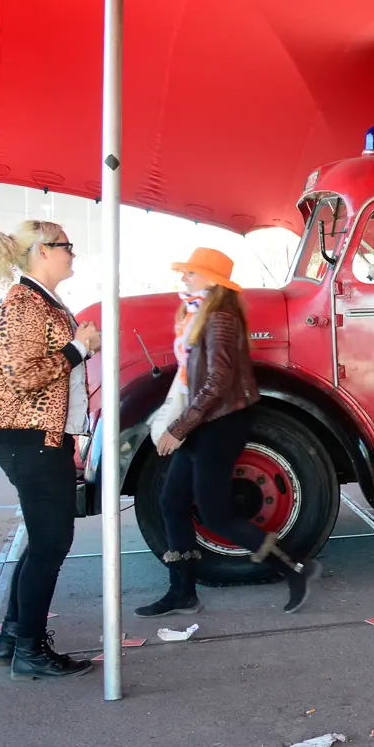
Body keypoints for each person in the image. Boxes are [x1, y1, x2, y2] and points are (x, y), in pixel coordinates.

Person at [136, 248, 321, 617]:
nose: (185, 277)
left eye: (192, 272)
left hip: (219, 424)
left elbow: (217, 382)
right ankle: (182, 592)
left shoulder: (219, 319)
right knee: (172, 502)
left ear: (212, 280)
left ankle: (295, 567)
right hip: (205, 420)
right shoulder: (197, 315)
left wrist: (178, 428)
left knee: (216, 514)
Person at [0, 221, 98, 679]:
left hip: (35, 437)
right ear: (43, 251)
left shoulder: (38, 301)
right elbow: (23, 376)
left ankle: (15, 638)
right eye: (67, 246)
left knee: (43, 540)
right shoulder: (24, 304)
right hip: (27, 437)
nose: (73, 253)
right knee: (51, 542)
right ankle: (28, 647)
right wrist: (78, 347)